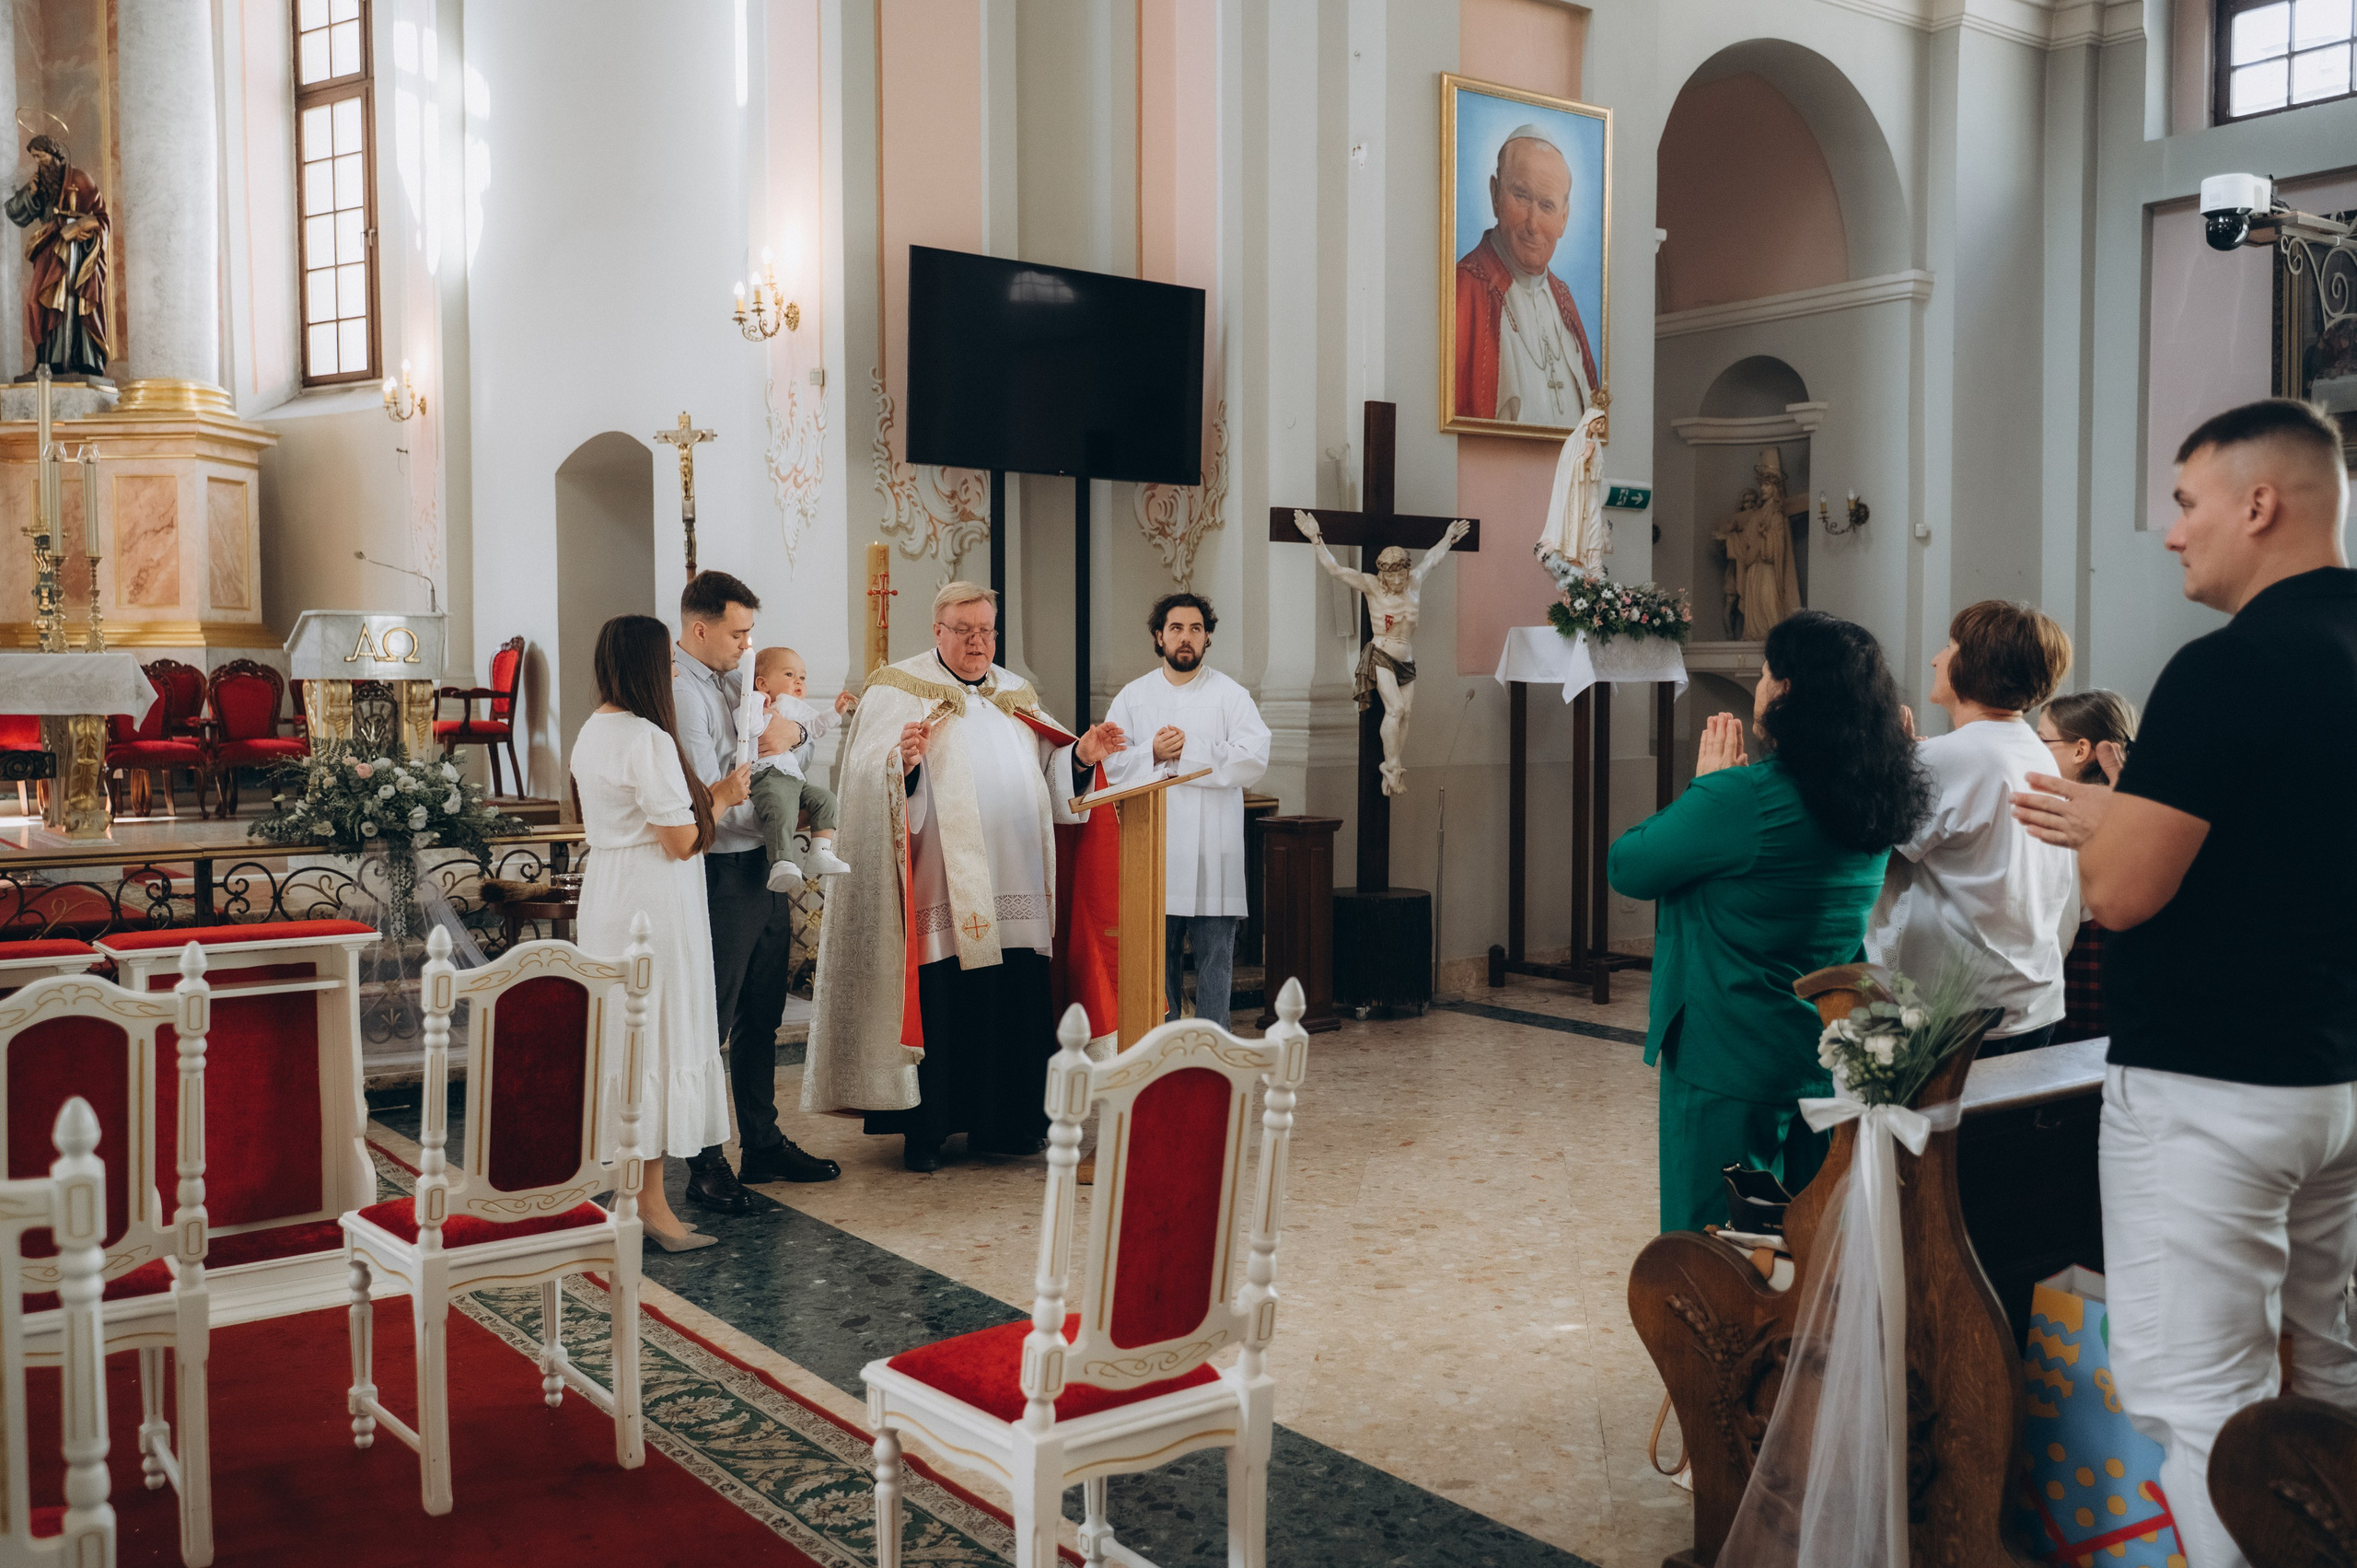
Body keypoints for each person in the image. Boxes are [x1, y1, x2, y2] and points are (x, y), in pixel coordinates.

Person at [2012, 398, 2357, 1568]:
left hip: (2214, 1086)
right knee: (2332, 1373)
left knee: (2200, 1401)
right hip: (2340, 1073)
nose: (2171, 532)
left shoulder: (2226, 667)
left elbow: (2119, 897)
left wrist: (2106, 820)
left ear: (2257, 504)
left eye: (2184, 501)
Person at [1609, 611, 1933, 1233]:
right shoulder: (1873, 794)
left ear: (1784, 691)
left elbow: (1628, 865)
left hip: (1727, 1048)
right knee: (1801, 1234)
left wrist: (1705, 789)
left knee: (1714, 1240)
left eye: (1763, 675)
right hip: (1820, 1047)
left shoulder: (1743, 797)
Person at [801, 582, 1125, 1172]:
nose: (978, 642)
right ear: (938, 631)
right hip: (940, 882)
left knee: (1014, 995)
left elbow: (1050, 772)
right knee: (945, 997)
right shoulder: (897, 690)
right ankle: (927, 1131)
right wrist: (903, 762)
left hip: (1018, 877)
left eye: (987, 630)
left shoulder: (1015, 693)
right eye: (965, 630)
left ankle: (1008, 1124)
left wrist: (1081, 757)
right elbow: (869, 783)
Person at [672, 571, 841, 1208]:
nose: (748, 645)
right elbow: (710, 792)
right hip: (722, 868)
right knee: (713, 1017)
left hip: (764, 863)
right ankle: (705, 1157)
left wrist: (794, 739)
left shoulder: (735, 678)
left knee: (763, 1012)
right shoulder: (685, 692)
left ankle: (762, 1142)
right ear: (701, 628)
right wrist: (783, 812)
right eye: (738, 633)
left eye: (750, 634)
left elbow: (787, 740)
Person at [570, 615, 737, 1252]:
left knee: (629, 1044)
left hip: (608, 893)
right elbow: (680, 840)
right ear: (645, 665)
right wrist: (719, 797)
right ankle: (652, 1207)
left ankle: (631, 1195)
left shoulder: (592, 731)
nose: (672, 671)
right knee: (660, 1039)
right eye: (665, 661)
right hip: (653, 902)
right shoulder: (646, 738)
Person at [1868, 600, 2077, 1056]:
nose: (1936, 659)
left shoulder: (1950, 757)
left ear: (1974, 667)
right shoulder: (2035, 750)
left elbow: (1871, 861)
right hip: (2030, 998)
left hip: (1965, 1010)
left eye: (1949, 647)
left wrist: (1892, 775)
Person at [1101, 592, 1271, 1028]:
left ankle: (1216, 1055)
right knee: (1159, 969)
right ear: (1159, 636)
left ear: (1208, 637)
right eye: (1175, 628)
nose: (1185, 638)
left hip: (1215, 853)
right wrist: (1153, 753)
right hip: (1155, 855)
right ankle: (1163, 1054)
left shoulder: (1230, 696)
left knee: (1217, 965)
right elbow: (1110, 764)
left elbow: (1254, 757)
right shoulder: (1133, 697)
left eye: (1195, 629)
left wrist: (1188, 752)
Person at [1452, 125, 1598, 426]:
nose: (1533, 223)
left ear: (1564, 219)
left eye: (1547, 206)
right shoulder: (1464, 290)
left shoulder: (1563, 299)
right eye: (1521, 197)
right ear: (1495, 195)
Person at [2036, 690, 2137, 1044]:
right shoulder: (2138, 812)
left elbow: (2055, 939)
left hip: (2080, 1013)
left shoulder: (2074, 823)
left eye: (2041, 740)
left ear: (2080, 750)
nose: (2033, 750)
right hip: (2130, 1009)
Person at [745, 645, 855, 892]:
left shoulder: (793, 708)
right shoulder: (751, 704)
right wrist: (758, 704)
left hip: (793, 778)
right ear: (762, 683)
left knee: (826, 799)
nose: (798, 682)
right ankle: (782, 860)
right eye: (789, 675)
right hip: (766, 776)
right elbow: (748, 729)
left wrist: (836, 712)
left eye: (802, 677)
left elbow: (814, 728)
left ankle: (820, 850)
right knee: (780, 807)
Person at [6, 134, 109, 378]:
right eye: (34, 157)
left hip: (76, 254)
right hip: (48, 250)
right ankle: (45, 358)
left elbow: (102, 219)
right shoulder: (40, 183)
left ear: (53, 154)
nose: (38, 162)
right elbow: (15, 213)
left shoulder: (81, 179)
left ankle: (80, 359)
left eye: (40, 156)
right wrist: (30, 194)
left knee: (72, 301)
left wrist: (80, 227)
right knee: (37, 302)